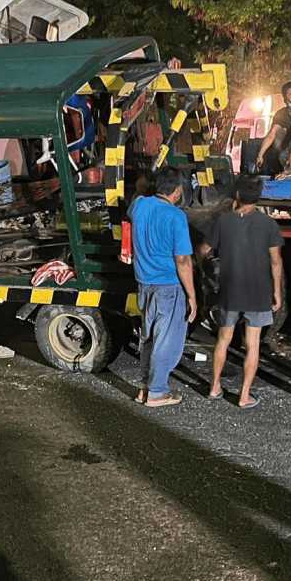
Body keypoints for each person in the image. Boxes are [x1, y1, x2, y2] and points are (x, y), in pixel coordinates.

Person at [198, 175, 283, 408]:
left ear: (237, 196)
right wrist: (277, 292)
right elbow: (276, 261)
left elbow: (204, 249)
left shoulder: (223, 222)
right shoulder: (269, 225)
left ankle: (214, 387)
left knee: (223, 339)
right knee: (252, 344)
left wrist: (204, 266)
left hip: (229, 289)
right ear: (258, 198)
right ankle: (244, 395)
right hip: (258, 291)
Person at [129, 167, 197, 408]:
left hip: (144, 283)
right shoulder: (175, 217)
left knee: (148, 338)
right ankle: (157, 392)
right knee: (166, 341)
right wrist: (192, 296)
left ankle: (145, 388)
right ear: (177, 191)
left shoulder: (138, 205)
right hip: (168, 285)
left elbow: (135, 203)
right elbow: (183, 260)